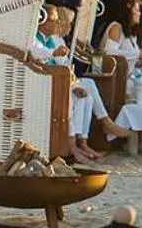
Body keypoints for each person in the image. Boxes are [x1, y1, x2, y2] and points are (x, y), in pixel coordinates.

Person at [31, 8, 129, 160]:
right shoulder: (35, 39)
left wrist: (75, 86)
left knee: (85, 96)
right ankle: (79, 141)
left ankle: (82, 142)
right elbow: (36, 52)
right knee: (74, 96)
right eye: (54, 20)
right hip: (44, 83)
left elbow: (64, 66)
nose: (57, 24)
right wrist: (53, 53)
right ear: (42, 22)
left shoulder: (53, 40)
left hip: (60, 80)